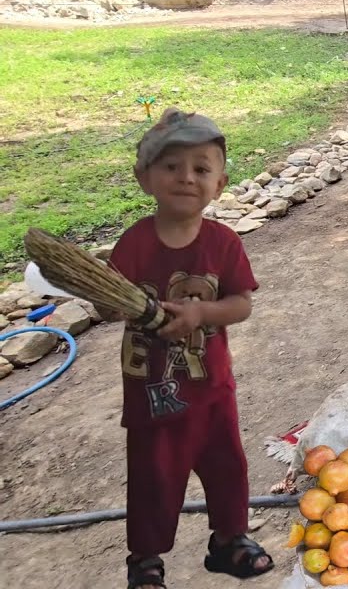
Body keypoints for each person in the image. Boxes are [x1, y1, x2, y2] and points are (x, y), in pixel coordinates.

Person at [106, 108, 273, 589]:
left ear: (219, 184)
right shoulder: (134, 244)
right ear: (144, 178)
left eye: (201, 168)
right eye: (171, 166)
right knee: (153, 476)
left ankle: (229, 540)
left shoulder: (223, 243)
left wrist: (201, 314)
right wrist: (111, 302)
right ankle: (146, 558)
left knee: (227, 466)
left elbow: (241, 304)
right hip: (151, 392)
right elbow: (108, 303)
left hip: (211, 388)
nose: (186, 177)